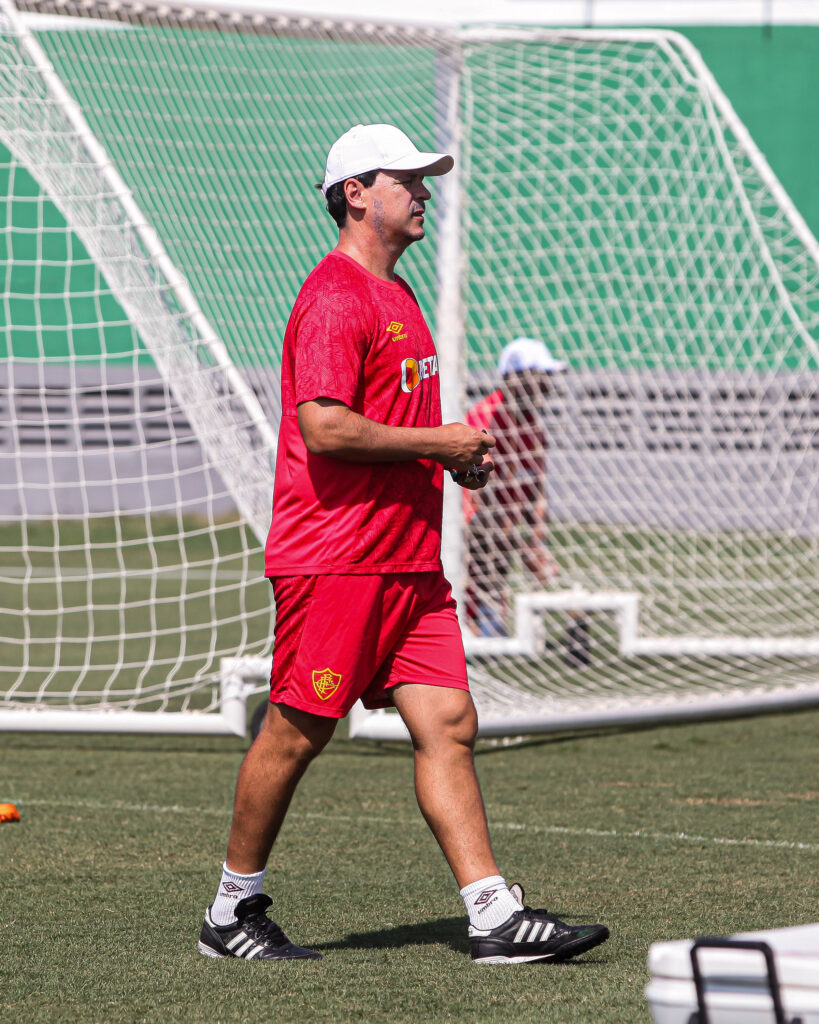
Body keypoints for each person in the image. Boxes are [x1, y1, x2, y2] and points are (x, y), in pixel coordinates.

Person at [198, 124, 609, 965]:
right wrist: (438, 442)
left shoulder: (400, 294)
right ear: (355, 194)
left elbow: (389, 423)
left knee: (450, 722)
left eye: (424, 180)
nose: (423, 193)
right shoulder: (334, 296)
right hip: (337, 559)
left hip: (408, 562)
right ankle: (230, 912)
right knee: (297, 732)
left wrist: (451, 457)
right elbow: (324, 427)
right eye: (407, 180)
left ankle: (492, 915)